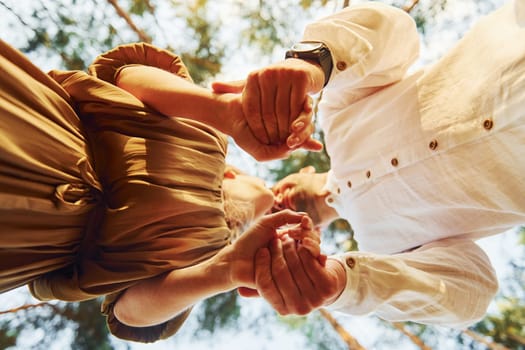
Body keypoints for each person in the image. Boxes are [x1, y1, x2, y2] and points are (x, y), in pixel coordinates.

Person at [213, 0, 525, 328]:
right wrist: (344, 286)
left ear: (303, 169)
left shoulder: (338, 115)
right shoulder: (386, 254)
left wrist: (314, 63)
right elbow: (471, 292)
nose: (275, 207)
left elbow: (397, 34)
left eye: (271, 199)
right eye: (269, 220)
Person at [0, 40, 322, 342]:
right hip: (33, 123)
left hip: (22, 244)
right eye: (286, 196)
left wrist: (227, 271)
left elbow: (129, 313)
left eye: (298, 217)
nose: (282, 209)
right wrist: (222, 111)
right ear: (232, 172)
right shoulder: (206, 135)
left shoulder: (206, 263)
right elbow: (125, 75)